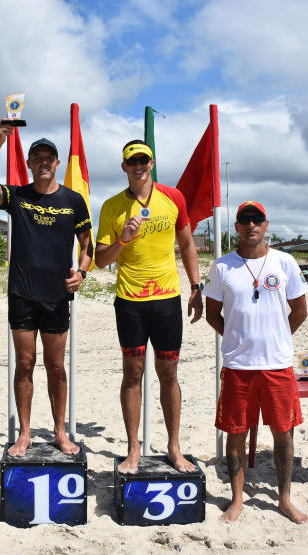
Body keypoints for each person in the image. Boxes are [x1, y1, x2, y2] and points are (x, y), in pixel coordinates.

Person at [0, 120, 93, 457]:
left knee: (55, 366)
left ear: (56, 163)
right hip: (22, 293)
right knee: (24, 363)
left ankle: (60, 432)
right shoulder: (16, 196)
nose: (42, 162)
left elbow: (87, 244)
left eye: (48, 158)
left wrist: (81, 272)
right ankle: (24, 433)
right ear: (29, 163)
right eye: (36, 157)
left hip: (56, 296)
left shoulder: (73, 200)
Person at [94, 140, 204, 474]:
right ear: (124, 167)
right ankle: (133, 450)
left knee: (168, 373)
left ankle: (174, 447)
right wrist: (123, 240)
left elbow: (186, 244)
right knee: (133, 374)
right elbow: (100, 261)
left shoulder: (173, 198)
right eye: (132, 161)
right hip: (130, 303)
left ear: (152, 163)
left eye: (143, 160)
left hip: (167, 301)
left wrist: (196, 286)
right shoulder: (112, 207)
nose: (138, 166)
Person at [203, 201, 308, 524]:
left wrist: (279, 338)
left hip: (278, 366)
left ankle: (285, 499)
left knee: (283, 432)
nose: (251, 225)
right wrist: (237, 339)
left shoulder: (285, 262)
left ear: (266, 226)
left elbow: (300, 311)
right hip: (238, 366)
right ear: (236, 227)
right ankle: (237, 500)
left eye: (257, 220)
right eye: (245, 220)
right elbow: (211, 315)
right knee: (236, 433)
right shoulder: (222, 267)